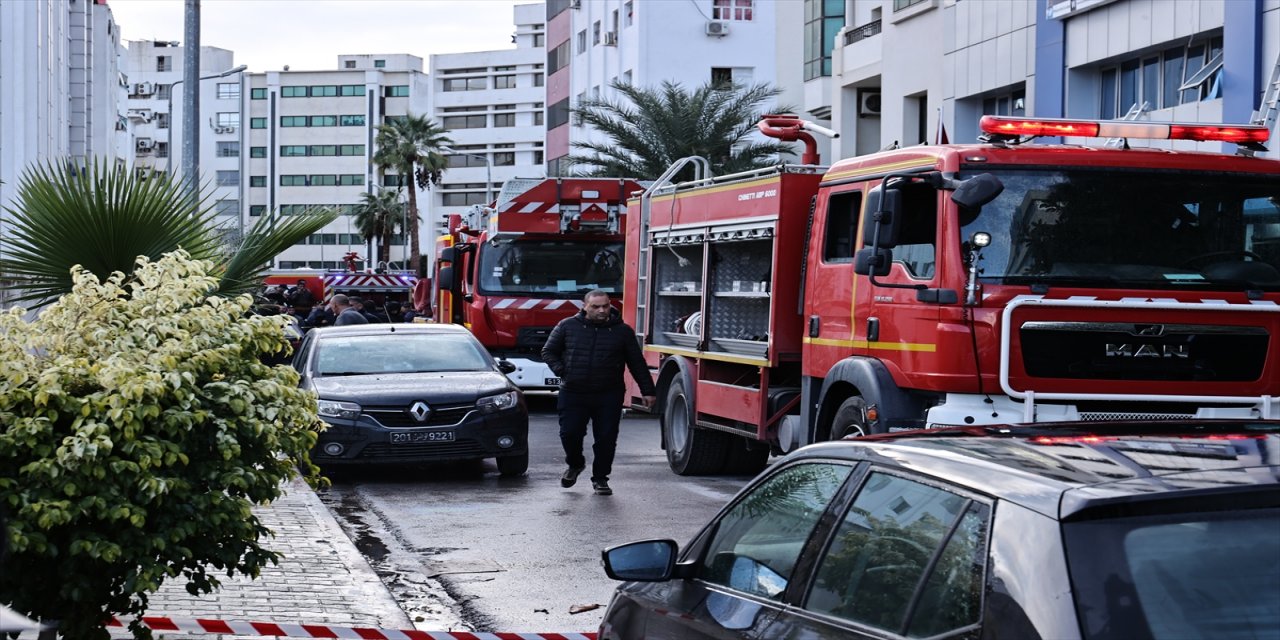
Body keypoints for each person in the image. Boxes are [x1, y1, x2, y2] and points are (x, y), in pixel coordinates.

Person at [542, 289, 656, 496]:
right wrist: (562, 370)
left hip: (608, 393)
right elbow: (548, 351)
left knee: (606, 438)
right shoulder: (567, 326)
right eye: (596, 307)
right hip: (574, 392)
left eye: (605, 306)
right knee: (570, 433)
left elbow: (637, 363)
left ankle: (601, 478)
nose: (602, 310)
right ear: (585, 306)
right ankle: (575, 464)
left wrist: (648, 390)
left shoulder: (622, 332)